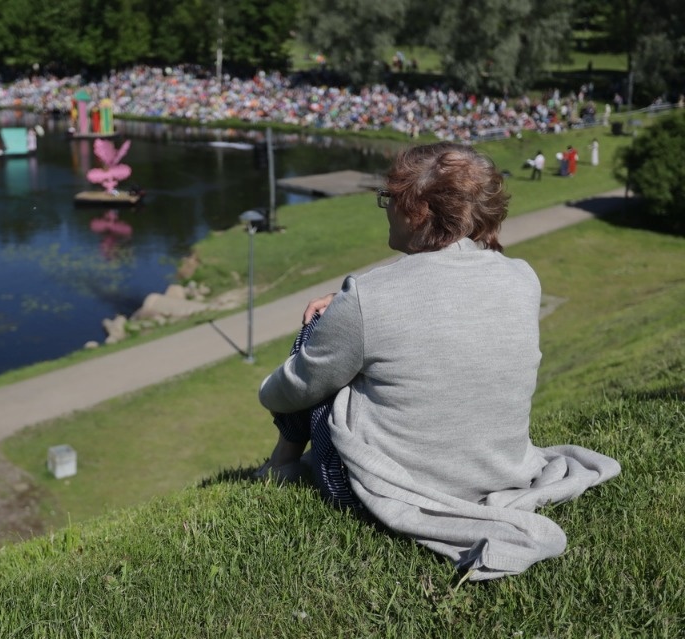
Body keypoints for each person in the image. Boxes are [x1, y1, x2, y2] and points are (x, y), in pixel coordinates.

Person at [255, 142, 620, 580]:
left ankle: (282, 464)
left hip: (381, 490)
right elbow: (441, 312)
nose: (385, 208)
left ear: (419, 210)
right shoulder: (522, 277)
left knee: (318, 330)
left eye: (390, 198)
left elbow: (298, 388)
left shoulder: (370, 295)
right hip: (500, 472)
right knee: (343, 329)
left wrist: (279, 377)